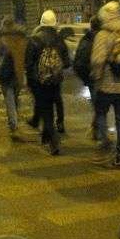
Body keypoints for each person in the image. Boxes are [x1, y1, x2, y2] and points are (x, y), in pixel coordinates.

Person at [90, 1, 120, 169]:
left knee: (101, 113)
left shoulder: (103, 34)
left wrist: (96, 76)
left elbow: (97, 60)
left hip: (107, 85)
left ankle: (105, 142)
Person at [25, 10, 70, 155]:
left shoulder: (34, 39)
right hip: (55, 81)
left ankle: (54, 141)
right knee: (50, 107)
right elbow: (68, 62)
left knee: (47, 112)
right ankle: (46, 135)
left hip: (39, 82)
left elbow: (28, 63)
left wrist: (31, 81)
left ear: (42, 23)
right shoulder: (59, 39)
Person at [0, 17, 28, 136]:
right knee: (15, 97)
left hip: (5, 72)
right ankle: (14, 117)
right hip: (18, 71)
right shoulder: (20, 35)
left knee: (9, 98)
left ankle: (13, 122)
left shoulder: (0, 35)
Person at [73, 15, 102, 139]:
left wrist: (86, 79)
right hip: (100, 77)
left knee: (98, 106)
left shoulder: (86, 38)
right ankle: (98, 133)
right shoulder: (102, 39)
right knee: (101, 106)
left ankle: (96, 131)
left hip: (91, 78)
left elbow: (78, 62)